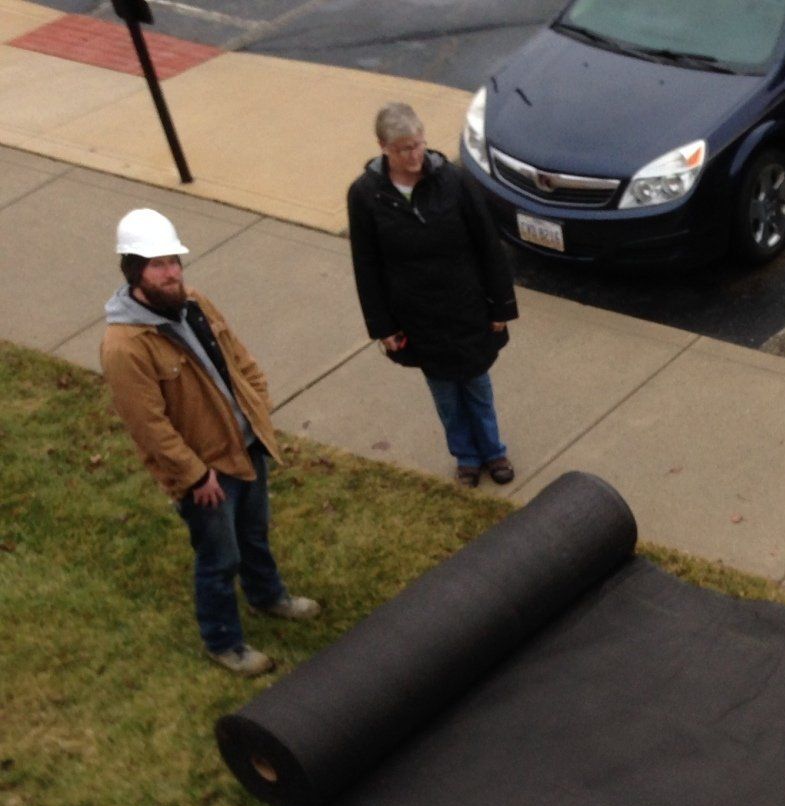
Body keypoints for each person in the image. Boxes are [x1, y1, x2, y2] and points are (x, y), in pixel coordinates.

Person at [100, 208, 319, 679]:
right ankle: (224, 643)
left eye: (174, 260)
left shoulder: (195, 302)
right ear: (135, 271)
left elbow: (239, 357)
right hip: (205, 475)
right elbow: (149, 427)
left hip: (247, 447)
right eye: (158, 264)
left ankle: (267, 596)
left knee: (255, 534)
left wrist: (258, 406)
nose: (172, 271)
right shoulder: (125, 346)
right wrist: (195, 475)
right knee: (220, 559)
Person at [347, 101, 519, 487]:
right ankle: (467, 457)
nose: (415, 155)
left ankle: (494, 452)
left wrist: (500, 305)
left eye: (419, 144)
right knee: (443, 390)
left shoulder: (454, 181)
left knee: (476, 382)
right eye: (405, 148)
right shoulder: (365, 196)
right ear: (383, 147)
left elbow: (487, 246)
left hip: (466, 305)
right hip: (416, 314)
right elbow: (366, 265)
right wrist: (382, 326)